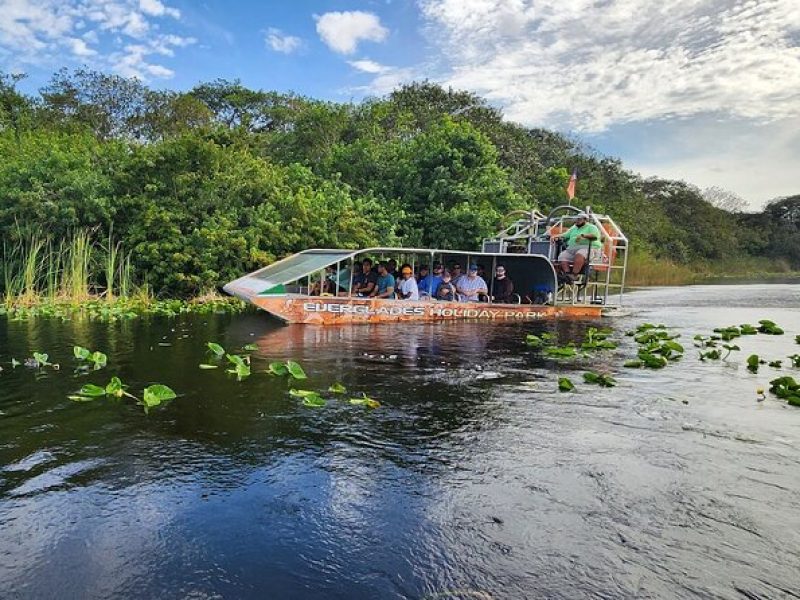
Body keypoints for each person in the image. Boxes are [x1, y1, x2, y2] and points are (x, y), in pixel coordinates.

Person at [554, 213, 601, 283]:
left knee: (580, 254)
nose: (577, 221)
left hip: (589, 248)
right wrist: (555, 236)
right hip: (572, 249)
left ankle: (574, 275)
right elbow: (565, 235)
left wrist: (583, 236)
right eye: (576, 219)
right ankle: (567, 275)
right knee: (562, 256)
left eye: (579, 219)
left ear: (585, 220)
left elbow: (594, 237)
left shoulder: (592, 227)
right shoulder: (574, 228)